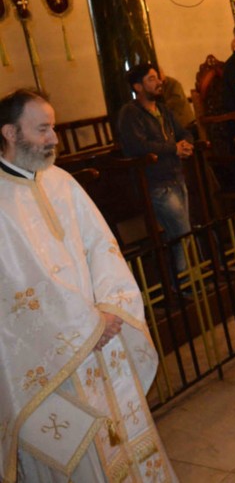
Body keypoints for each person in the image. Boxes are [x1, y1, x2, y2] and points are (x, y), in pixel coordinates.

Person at [0, 89, 177, 482]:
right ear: (10, 133)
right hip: (54, 356)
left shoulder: (62, 182)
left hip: (102, 335)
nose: (54, 138)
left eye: (53, 127)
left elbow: (102, 245)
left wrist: (112, 307)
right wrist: (87, 323)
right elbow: (18, 289)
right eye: (42, 129)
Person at [118, 63, 195, 290]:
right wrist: (173, 148)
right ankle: (183, 283)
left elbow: (183, 131)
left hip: (176, 176)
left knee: (183, 230)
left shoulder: (163, 109)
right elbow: (138, 146)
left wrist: (186, 144)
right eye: (151, 79)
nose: (159, 82)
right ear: (138, 86)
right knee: (180, 231)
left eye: (157, 78)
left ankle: (184, 279)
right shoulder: (130, 114)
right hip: (156, 182)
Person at [159, 67, 196, 131]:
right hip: (174, 123)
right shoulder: (159, 86)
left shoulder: (173, 83)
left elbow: (177, 100)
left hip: (185, 121)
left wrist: (161, 107)